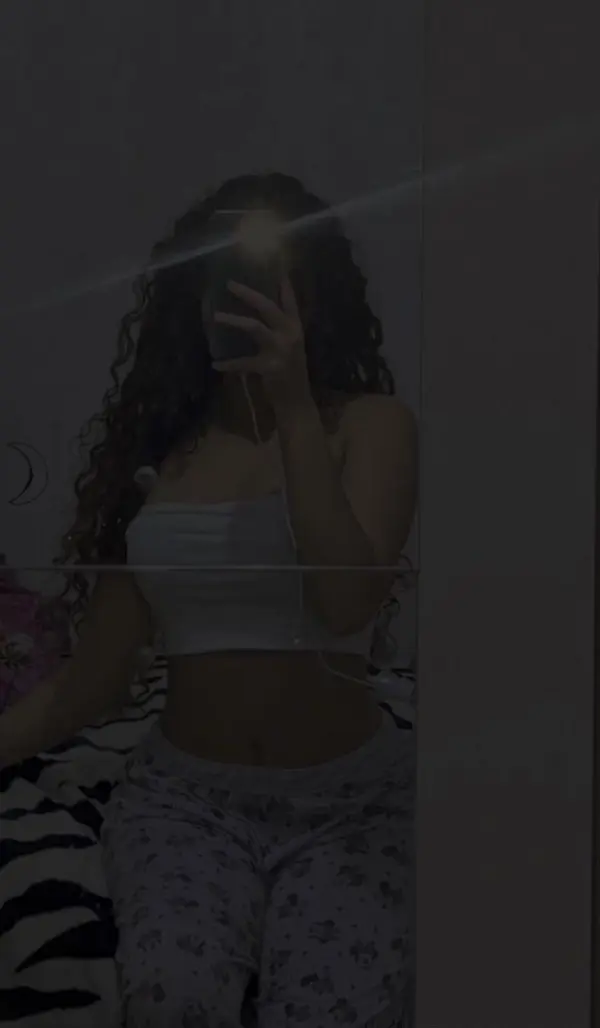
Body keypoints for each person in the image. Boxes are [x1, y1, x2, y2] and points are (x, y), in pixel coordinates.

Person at [0, 173, 418, 1027]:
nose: (242, 304)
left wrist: (292, 402)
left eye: (273, 283)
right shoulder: (161, 456)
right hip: (185, 804)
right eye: (221, 283)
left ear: (315, 298)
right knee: (172, 1003)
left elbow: (345, 602)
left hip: (350, 808)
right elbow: (91, 684)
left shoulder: (370, 424)